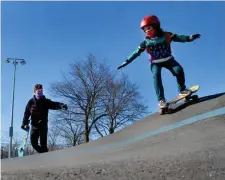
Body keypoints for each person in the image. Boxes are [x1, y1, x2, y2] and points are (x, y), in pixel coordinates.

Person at [117, 15, 200, 109]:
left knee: (179, 70)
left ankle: (182, 90)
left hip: (168, 59)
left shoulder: (166, 35)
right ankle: (161, 100)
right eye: (145, 30)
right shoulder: (145, 42)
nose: (146, 31)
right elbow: (136, 52)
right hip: (155, 62)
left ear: (155, 26)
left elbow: (179, 37)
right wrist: (127, 61)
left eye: (148, 28)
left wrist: (189, 38)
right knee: (156, 76)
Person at [21, 84, 68, 153]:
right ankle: (44, 154)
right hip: (34, 125)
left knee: (43, 144)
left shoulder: (45, 101)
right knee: (34, 144)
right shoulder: (31, 102)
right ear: (34, 92)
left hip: (43, 125)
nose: (40, 93)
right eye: (38, 92)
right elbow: (26, 113)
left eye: (41, 91)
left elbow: (54, 104)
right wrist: (24, 123)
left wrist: (61, 106)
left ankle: (45, 156)